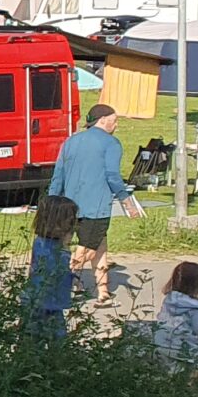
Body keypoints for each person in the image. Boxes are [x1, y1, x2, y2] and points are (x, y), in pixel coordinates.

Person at [46, 104, 138, 301]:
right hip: (96, 206)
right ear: (103, 120)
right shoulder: (111, 143)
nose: (117, 125)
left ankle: (102, 290)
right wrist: (126, 200)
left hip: (69, 205)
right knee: (87, 249)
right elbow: (112, 175)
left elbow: (58, 174)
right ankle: (58, 283)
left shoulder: (70, 141)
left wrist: (52, 202)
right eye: (114, 121)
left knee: (99, 243)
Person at [26, 195, 78, 339]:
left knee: (35, 336)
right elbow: (53, 271)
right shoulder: (53, 249)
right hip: (46, 301)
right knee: (52, 337)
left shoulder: (41, 242)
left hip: (43, 300)